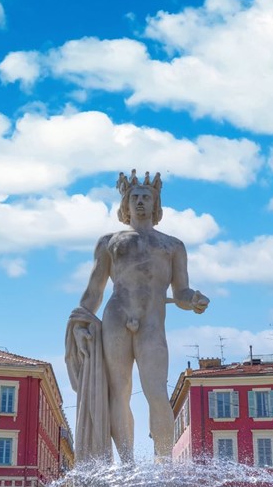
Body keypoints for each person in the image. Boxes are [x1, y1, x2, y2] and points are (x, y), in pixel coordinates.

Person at [68, 170, 209, 461]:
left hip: (152, 324)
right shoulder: (109, 242)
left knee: (156, 391)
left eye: (147, 196)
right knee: (119, 391)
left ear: (156, 203)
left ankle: (164, 464)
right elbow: (93, 291)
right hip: (116, 319)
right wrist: (80, 323)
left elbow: (180, 291)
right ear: (126, 203)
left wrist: (193, 299)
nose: (141, 201)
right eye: (135, 197)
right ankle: (128, 465)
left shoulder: (173, 246)